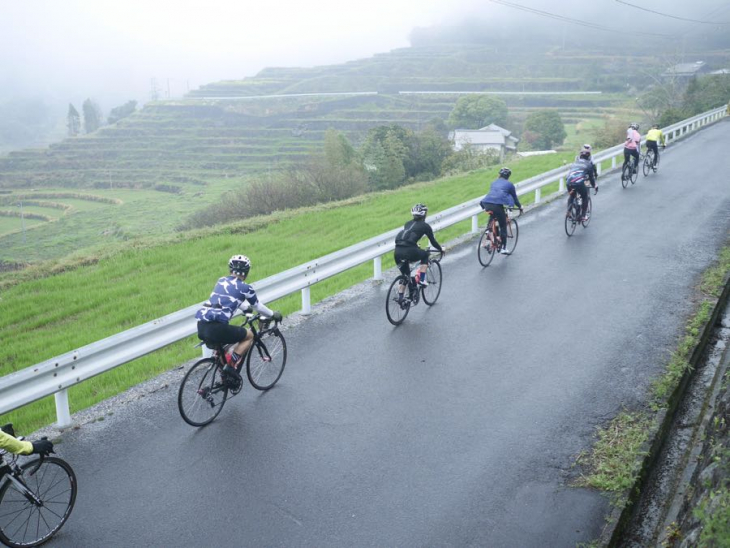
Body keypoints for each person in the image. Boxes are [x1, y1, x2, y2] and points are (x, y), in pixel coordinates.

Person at [195, 255, 282, 385]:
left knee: (222, 350)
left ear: (230, 269)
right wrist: (272, 314)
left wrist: (244, 307)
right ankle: (230, 367)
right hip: (217, 328)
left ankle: (225, 378)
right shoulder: (246, 288)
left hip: (201, 326)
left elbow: (228, 297)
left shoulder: (221, 280)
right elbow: (257, 306)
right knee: (250, 336)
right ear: (246, 272)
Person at [393, 204, 443, 302]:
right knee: (425, 255)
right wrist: (440, 249)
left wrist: (415, 246)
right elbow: (432, 241)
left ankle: (400, 297)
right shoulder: (425, 226)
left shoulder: (407, 223)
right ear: (424, 214)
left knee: (405, 274)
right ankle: (422, 279)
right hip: (410, 250)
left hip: (397, 252)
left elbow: (408, 238)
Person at [479, 167, 523, 254]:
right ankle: (503, 248)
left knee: (493, 215)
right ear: (508, 176)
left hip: (485, 203)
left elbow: (495, 194)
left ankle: (489, 231)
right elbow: (514, 198)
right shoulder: (510, 185)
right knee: (503, 225)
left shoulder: (494, 182)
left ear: (499, 175)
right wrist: (520, 206)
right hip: (497, 205)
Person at [566, 150, 597, 221]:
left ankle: (569, 211)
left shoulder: (574, 163)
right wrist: (594, 185)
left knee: (572, 195)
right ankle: (583, 215)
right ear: (589, 157)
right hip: (579, 183)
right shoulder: (589, 165)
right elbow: (591, 178)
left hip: (569, 182)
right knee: (585, 197)